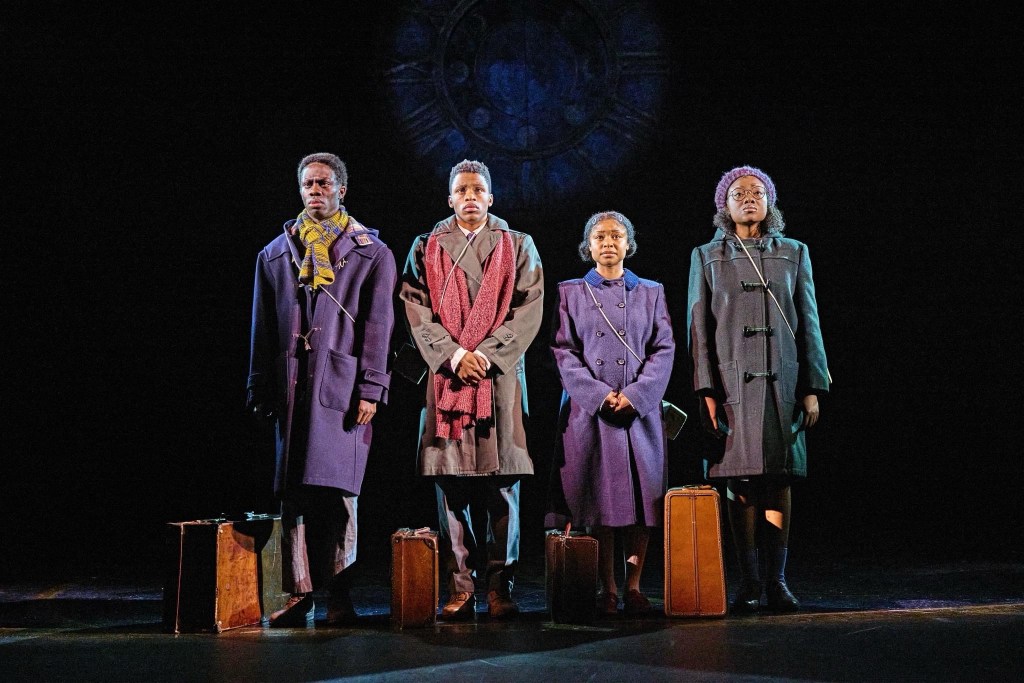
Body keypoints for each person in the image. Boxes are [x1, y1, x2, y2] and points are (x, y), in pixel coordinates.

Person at [247, 153, 397, 627]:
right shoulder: (276, 253)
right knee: (294, 495)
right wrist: (259, 385)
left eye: (324, 183)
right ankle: (299, 593)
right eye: (308, 184)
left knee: (340, 492)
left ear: (341, 190)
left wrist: (372, 387)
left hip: (343, 387)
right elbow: (262, 327)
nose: (315, 190)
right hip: (292, 387)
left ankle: (339, 593)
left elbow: (379, 327)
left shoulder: (372, 253)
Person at [399, 159, 544, 620]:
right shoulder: (426, 246)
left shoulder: (517, 244)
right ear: (450, 199)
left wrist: (485, 354)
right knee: (451, 485)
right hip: (447, 379)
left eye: (478, 190)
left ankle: (501, 587)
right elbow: (415, 306)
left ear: (491, 197)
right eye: (461, 190)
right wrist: (454, 355)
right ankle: (461, 586)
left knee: (503, 487)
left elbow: (529, 308)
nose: (470, 197)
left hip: (497, 379)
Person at [686, 165, 830, 613]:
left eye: (757, 192)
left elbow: (810, 321)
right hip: (731, 382)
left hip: (783, 380)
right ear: (723, 206)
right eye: (739, 193)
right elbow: (699, 329)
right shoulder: (706, 256)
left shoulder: (794, 252)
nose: (749, 198)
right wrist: (706, 389)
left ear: (770, 202)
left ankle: (777, 580)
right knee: (741, 478)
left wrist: (812, 385)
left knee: (779, 476)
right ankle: (749, 581)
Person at [546, 211, 675, 616]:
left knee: (642, 503)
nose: (608, 243)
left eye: (616, 236)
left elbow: (664, 349)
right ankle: (608, 588)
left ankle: (634, 586)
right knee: (599, 502)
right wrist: (599, 395)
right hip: (592, 413)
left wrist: (637, 395)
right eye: (599, 237)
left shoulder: (651, 292)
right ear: (588, 246)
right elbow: (563, 351)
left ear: (628, 243)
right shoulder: (570, 292)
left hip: (639, 413)